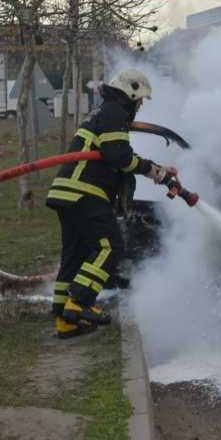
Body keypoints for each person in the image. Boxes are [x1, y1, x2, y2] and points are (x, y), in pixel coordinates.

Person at [46, 68, 177, 339]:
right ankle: (80, 303)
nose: (140, 106)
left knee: (75, 255)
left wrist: (155, 169)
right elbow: (119, 156)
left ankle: (65, 319)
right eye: (140, 100)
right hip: (85, 192)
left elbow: (117, 155)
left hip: (67, 192)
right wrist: (150, 169)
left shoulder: (104, 112)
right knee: (110, 246)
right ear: (130, 92)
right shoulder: (114, 112)